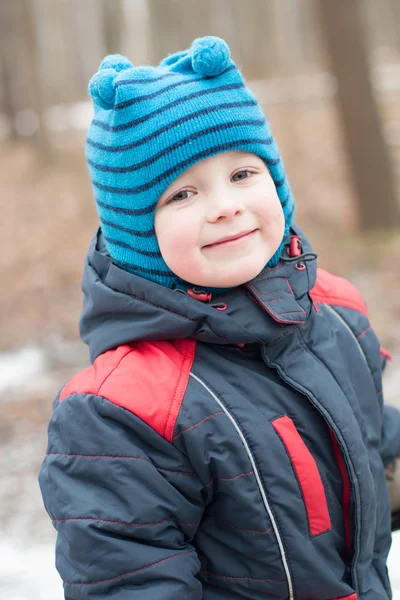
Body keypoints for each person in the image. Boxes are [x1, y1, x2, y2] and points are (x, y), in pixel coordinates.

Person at [39, 36, 400, 599]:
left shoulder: (334, 313)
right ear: (137, 237)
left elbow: (365, 440)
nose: (225, 205)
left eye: (242, 175)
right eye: (182, 194)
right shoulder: (124, 410)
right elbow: (127, 578)